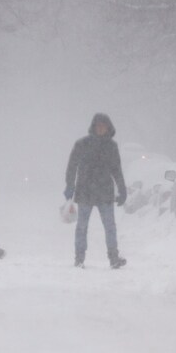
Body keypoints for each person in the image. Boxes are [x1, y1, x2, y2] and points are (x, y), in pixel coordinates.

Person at [64, 113, 127, 269]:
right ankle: (79, 258)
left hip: (104, 191)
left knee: (110, 226)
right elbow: (72, 166)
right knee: (82, 226)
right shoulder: (82, 144)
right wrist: (69, 185)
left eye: (103, 126)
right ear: (93, 127)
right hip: (85, 190)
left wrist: (122, 189)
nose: (100, 129)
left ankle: (113, 257)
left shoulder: (112, 147)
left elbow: (116, 169)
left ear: (108, 128)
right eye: (98, 126)